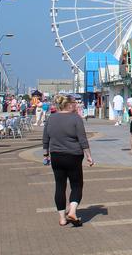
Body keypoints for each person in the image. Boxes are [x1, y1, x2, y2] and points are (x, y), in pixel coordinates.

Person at [42, 94, 94, 227]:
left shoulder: (51, 118)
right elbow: (82, 139)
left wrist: (45, 154)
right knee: (76, 185)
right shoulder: (76, 118)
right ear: (69, 104)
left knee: (60, 186)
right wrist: (89, 155)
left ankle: (62, 218)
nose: (76, 105)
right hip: (73, 156)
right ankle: (72, 211)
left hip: (56, 156)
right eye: (74, 103)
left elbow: (46, 138)